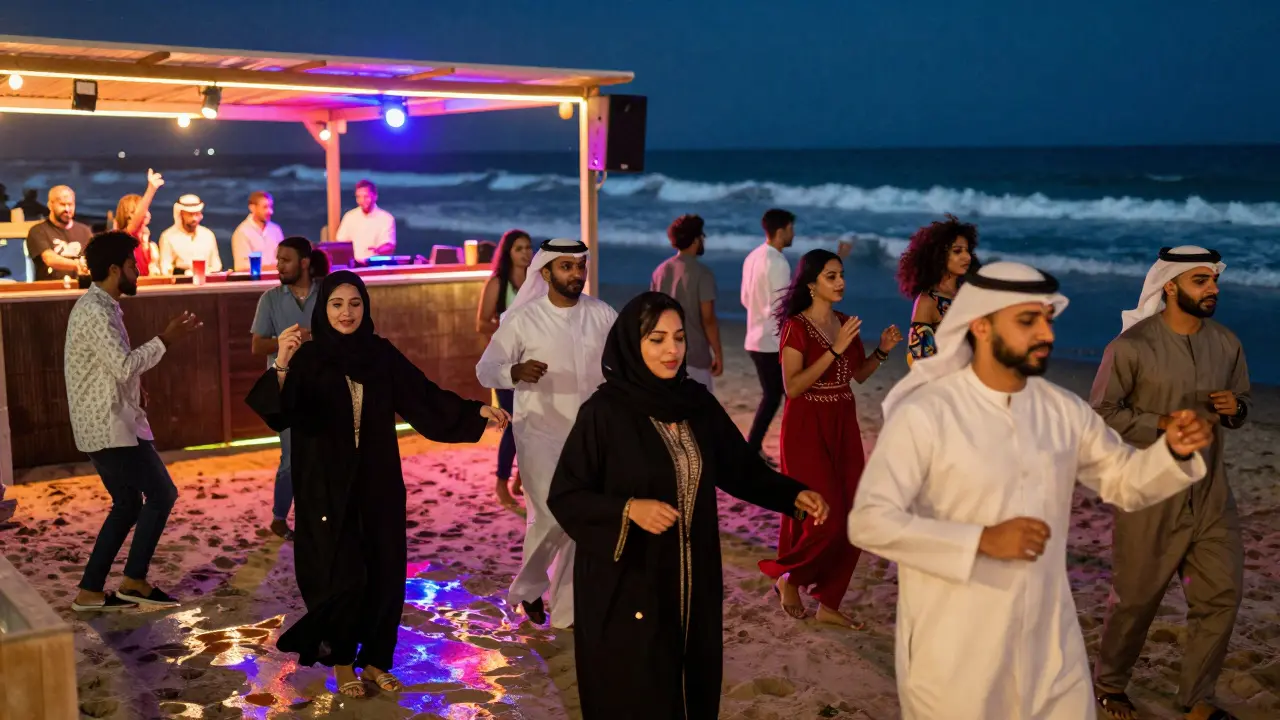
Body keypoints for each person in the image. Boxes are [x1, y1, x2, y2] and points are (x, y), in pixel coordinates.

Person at [845, 261, 1214, 720]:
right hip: (955, 648)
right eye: (1027, 321)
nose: (1046, 334)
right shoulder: (926, 413)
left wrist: (1173, 452)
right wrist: (980, 541)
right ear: (980, 326)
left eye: (1047, 319)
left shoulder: (1062, 410)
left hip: (1048, 646)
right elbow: (870, 522)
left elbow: (1125, 481)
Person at [547, 291, 830, 719]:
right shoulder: (604, 413)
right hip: (628, 580)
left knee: (689, 679)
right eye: (657, 339)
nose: (673, 350)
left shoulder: (695, 403)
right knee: (637, 686)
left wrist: (791, 494)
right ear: (632, 343)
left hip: (693, 578)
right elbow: (567, 494)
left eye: (679, 337)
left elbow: (738, 467)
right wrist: (628, 509)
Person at [246, 270, 508, 697]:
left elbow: (422, 396)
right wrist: (282, 361)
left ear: (365, 307)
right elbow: (277, 412)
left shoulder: (380, 354)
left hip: (378, 480)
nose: (346, 312)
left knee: (385, 570)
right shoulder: (309, 358)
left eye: (355, 304)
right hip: (326, 486)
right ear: (323, 309)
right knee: (342, 575)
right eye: (336, 304)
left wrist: (473, 411)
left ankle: (374, 662)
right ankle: (343, 662)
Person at [1091, 246, 1249, 720]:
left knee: (1221, 596)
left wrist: (1235, 409)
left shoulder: (1227, 343)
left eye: (1214, 280)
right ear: (1171, 285)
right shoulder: (1130, 347)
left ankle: (1197, 698)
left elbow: (1240, 403)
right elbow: (1101, 414)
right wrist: (1160, 423)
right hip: (1150, 493)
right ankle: (1110, 684)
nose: (1213, 289)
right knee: (1136, 600)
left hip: (1212, 495)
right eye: (1201, 281)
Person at [475, 238, 617, 629]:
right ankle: (530, 587)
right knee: (552, 515)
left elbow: (623, 364)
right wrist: (514, 372)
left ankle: (566, 611)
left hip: (590, 435)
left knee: (579, 519)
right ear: (547, 272)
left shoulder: (603, 314)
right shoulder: (523, 319)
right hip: (539, 433)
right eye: (566, 266)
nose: (576, 274)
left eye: (580, 266)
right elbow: (485, 369)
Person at [760, 249, 901, 628]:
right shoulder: (796, 327)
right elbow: (793, 387)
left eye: (842, 275)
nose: (841, 282)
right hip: (806, 427)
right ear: (812, 284)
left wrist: (882, 351)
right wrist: (834, 348)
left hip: (843, 423)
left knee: (854, 516)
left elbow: (859, 375)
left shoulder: (844, 322)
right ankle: (790, 578)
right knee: (826, 516)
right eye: (831, 276)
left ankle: (829, 602)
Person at [65, 231, 202, 612]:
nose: (138, 271)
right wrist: (166, 339)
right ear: (114, 269)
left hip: (107, 423)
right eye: (132, 264)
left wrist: (135, 390)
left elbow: (113, 369)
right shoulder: (95, 310)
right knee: (161, 494)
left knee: (127, 504)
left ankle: (91, 591)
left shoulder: (102, 306)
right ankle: (134, 582)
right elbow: (124, 366)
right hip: (109, 427)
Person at [741, 208, 850, 464]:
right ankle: (757, 450)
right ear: (781, 231)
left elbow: (745, 298)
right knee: (786, 395)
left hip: (754, 335)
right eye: (791, 229)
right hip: (772, 339)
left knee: (774, 396)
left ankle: (753, 449)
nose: (794, 234)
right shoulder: (777, 262)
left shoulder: (752, 256)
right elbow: (787, 303)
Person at [250, 236, 328, 542]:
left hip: (324, 385)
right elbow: (258, 345)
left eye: (286, 260)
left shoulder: (327, 293)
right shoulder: (269, 299)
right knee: (292, 458)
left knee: (325, 455)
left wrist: (314, 338)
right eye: (278, 259)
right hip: (286, 388)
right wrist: (287, 341)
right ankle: (280, 517)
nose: (279, 266)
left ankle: (321, 517)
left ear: (304, 263)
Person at [475, 229, 534, 514]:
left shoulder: (536, 282)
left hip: (532, 363)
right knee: (513, 422)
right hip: (504, 364)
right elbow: (481, 323)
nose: (526, 253)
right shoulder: (498, 283)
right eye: (519, 248)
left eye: (528, 247)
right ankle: (501, 482)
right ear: (508, 252)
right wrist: (508, 330)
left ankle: (521, 478)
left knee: (532, 421)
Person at [650, 214, 722, 390]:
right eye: (702, 235)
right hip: (694, 355)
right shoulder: (703, 273)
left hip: (665, 355)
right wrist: (718, 353)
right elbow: (708, 319)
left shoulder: (660, 271)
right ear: (696, 240)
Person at [896, 214, 978, 366]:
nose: (967, 257)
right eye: (957, 251)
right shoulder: (928, 301)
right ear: (939, 255)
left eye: (967, 251)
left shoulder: (970, 295)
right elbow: (917, 359)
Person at [25, 184, 91, 280]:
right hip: (50, 288)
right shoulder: (38, 231)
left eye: (70, 204)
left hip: (80, 287)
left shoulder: (85, 231)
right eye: (62, 204)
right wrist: (78, 265)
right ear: (50, 205)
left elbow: (94, 259)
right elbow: (49, 259)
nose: (67, 209)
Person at [113, 169, 165, 276]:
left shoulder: (149, 245)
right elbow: (136, 223)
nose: (144, 213)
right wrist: (151, 189)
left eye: (146, 209)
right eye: (138, 211)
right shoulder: (124, 238)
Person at [159, 194, 222, 275]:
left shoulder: (208, 235)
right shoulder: (168, 236)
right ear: (181, 214)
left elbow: (216, 265)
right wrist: (185, 273)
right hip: (181, 281)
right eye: (190, 214)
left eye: (197, 214)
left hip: (206, 280)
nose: (194, 218)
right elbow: (165, 268)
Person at [335, 179, 396, 262]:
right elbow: (341, 242)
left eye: (366, 197)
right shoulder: (349, 216)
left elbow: (389, 245)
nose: (362, 200)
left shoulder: (386, 218)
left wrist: (377, 251)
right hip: (353, 265)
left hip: (376, 264)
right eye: (358, 197)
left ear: (375, 196)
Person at [231, 191, 284, 272]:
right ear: (252, 208)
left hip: (278, 279)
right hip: (254, 280)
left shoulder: (275, 230)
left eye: (270, 207)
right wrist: (272, 267)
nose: (270, 211)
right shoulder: (242, 232)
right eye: (265, 207)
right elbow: (241, 267)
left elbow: (283, 259)